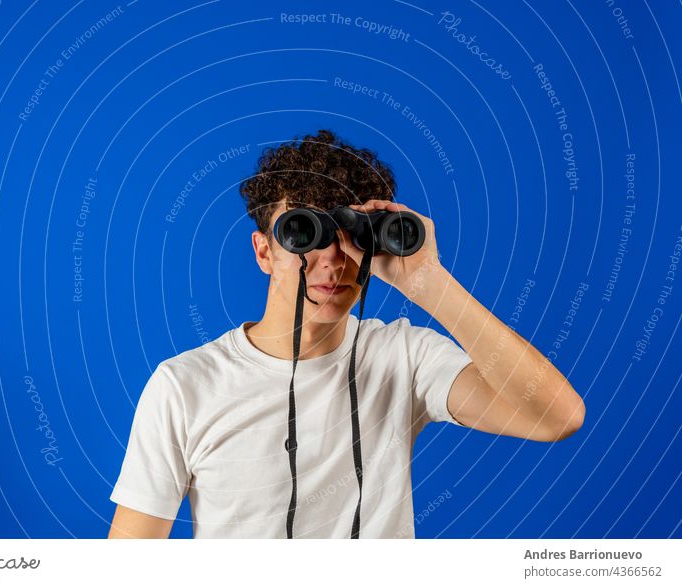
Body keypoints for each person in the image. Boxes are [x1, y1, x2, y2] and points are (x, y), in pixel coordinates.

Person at [107, 129, 585, 539]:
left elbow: (556, 416)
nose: (333, 261)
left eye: (351, 237)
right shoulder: (184, 386)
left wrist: (429, 282)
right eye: (304, 233)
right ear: (264, 252)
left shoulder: (403, 356)